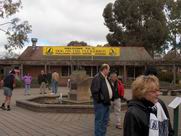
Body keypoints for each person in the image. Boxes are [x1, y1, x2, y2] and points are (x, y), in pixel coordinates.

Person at [90, 64, 113, 136]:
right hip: (101, 104)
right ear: (104, 69)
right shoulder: (97, 77)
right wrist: (101, 100)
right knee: (99, 121)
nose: (109, 71)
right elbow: (95, 91)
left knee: (105, 121)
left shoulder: (106, 78)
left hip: (106, 103)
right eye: (108, 69)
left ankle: (102, 134)